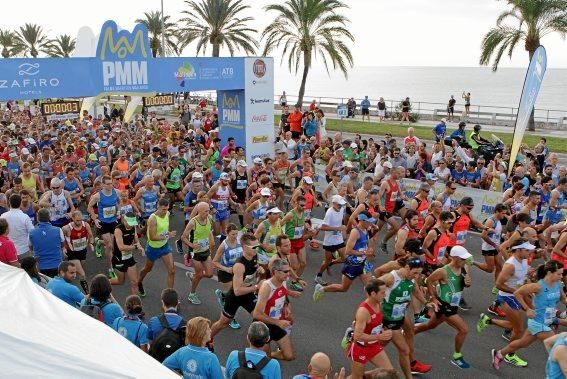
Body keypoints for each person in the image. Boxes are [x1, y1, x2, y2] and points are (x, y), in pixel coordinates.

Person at [492, 260, 567, 370]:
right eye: (559, 274)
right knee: (558, 344)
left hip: (548, 320)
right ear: (550, 273)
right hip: (537, 322)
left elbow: (563, 299)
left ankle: (499, 353)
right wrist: (527, 309)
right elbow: (517, 293)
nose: (561, 277)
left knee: (523, 343)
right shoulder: (538, 286)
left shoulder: (557, 285)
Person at [476, 239, 533, 367]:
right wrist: (516, 291)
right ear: (518, 250)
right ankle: (509, 355)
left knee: (515, 326)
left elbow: (522, 277)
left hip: (516, 296)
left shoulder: (523, 260)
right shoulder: (510, 265)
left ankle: (488, 321)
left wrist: (527, 283)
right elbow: (498, 284)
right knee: (518, 329)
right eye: (527, 250)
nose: (529, 252)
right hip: (506, 298)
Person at [415, 246, 473, 369]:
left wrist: (467, 283)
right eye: (463, 259)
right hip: (445, 306)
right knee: (463, 330)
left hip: (453, 305)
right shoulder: (444, 271)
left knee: (430, 325)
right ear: (455, 258)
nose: (465, 261)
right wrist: (434, 298)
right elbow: (429, 281)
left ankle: (409, 333)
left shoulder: (463, 269)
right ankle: (457, 357)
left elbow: (464, 284)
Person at [378, 257, 432, 377]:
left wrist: (426, 303)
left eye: (419, 273)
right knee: (404, 350)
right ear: (407, 268)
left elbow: (416, 291)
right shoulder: (391, 278)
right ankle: (358, 345)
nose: (417, 276)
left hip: (400, 315)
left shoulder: (411, 278)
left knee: (408, 331)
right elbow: (370, 287)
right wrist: (375, 306)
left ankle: (362, 345)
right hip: (389, 318)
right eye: (415, 273)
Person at [210, 234, 264, 342]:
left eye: (258, 246)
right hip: (235, 297)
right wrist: (257, 287)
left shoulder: (254, 256)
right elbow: (237, 291)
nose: (256, 249)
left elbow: (253, 272)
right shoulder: (239, 265)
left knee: (260, 317)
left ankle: (255, 346)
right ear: (244, 247)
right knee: (223, 323)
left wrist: (260, 270)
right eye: (254, 247)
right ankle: (206, 339)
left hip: (248, 294)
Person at [313, 212, 375, 301]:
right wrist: (365, 252)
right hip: (352, 265)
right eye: (369, 221)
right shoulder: (355, 232)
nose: (371, 223)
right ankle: (322, 289)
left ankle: (369, 309)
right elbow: (348, 251)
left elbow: (368, 242)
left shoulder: (366, 229)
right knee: (343, 288)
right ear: (361, 221)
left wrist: (370, 248)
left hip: (363, 263)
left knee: (370, 287)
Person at [253, 258, 301, 361]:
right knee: (265, 359)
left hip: (277, 322)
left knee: (289, 356)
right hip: (264, 325)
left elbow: (282, 291)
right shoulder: (267, 287)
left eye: (288, 270)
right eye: (285, 271)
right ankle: (268, 356)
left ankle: (272, 354)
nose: (288, 274)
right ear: (275, 272)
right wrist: (278, 322)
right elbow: (256, 314)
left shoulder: (283, 280)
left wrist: (287, 303)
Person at [346, 278, 394, 379]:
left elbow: (376, 324)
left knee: (390, 373)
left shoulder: (379, 303)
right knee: (356, 377)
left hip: (373, 345)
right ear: (373, 293)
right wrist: (379, 336)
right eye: (382, 293)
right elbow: (358, 336)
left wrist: (382, 330)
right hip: (360, 348)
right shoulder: (363, 311)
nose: (385, 295)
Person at [138, 198, 177, 295]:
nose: (165, 211)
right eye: (163, 209)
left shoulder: (167, 214)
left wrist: (167, 233)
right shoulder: (152, 219)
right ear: (157, 207)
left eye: (167, 209)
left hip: (164, 246)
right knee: (148, 268)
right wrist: (168, 235)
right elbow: (152, 237)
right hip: (153, 248)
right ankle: (139, 282)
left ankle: (169, 296)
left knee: (171, 271)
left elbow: (165, 229)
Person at [87, 175, 120, 280]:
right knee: (110, 245)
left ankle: (99, 243)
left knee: (113, 244)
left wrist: (118, 211)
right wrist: (95, 219)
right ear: (103, 185)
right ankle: (110, 269)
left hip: (113, 221)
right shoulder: (98, 196)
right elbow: (89, 207)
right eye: (108, 184)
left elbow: (118, 203)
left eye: (111, 183)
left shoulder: (116, 192)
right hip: (103, 223)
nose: (110, 185)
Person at [182, 202, 215, 304]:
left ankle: (193, 276)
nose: (208, 212)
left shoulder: (209, 218)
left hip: (205, 250)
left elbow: (208, 231)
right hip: (195, 252)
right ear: (199, 211)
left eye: (208, 210)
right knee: (200, 274)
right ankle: (192, 294)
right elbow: (183, 237)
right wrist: (192, 245)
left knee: (209, 274)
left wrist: (211, 245)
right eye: (205, 211)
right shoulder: (193, 222)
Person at [315, 195, 347, 285]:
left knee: (345, 258)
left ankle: (331, 263)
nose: (340, 206)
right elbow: (323, 227)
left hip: (338, 239)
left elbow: (341, 222)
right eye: (339, 205)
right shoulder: (329, 213)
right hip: (329, 241)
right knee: (327, 261)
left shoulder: (341, 209)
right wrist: (337, 228)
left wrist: (342, 230)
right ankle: (318, 276)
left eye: (341, 204)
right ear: (333, 203)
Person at [110, 212, 144, 295]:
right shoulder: (118, 230)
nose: (132, 225)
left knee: (134, 282)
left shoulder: (133, 227)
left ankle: (135, 306)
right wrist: (135, 247)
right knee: (120, 281)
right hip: (119, 258)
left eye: (133, 224)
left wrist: (140, 247)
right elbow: (121, 247)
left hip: (129, 257)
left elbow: (136, 239)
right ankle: (104, 283)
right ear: (124, 221)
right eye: (130, 223)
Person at [61, 210, 94, 294]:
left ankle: (67, 277)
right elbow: (60, 239)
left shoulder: (85, 225)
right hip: (72, 253)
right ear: (72, 218)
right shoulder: (66, 228)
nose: (79, 222)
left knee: (79, 269)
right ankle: (88, 294)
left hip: (82, 250)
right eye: (77, 220)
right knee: (82, 274)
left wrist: (90, 243)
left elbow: (90, 235)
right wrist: (63, 248)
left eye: (80, 220)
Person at [29, 208, 65, 278]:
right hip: (57, 264)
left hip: (41, 266)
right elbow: (62, 244)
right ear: (49, 217)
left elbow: (31, 247)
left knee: (44, 287)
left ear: (38, 218)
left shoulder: (31, 232)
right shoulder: (58, 230)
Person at [1, 194, 34, 259]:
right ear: (20, 203)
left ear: (9, 203)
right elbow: (32, 232)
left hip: (8, 251)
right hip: (24, 251)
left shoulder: (3, 216)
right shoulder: (25, 217)